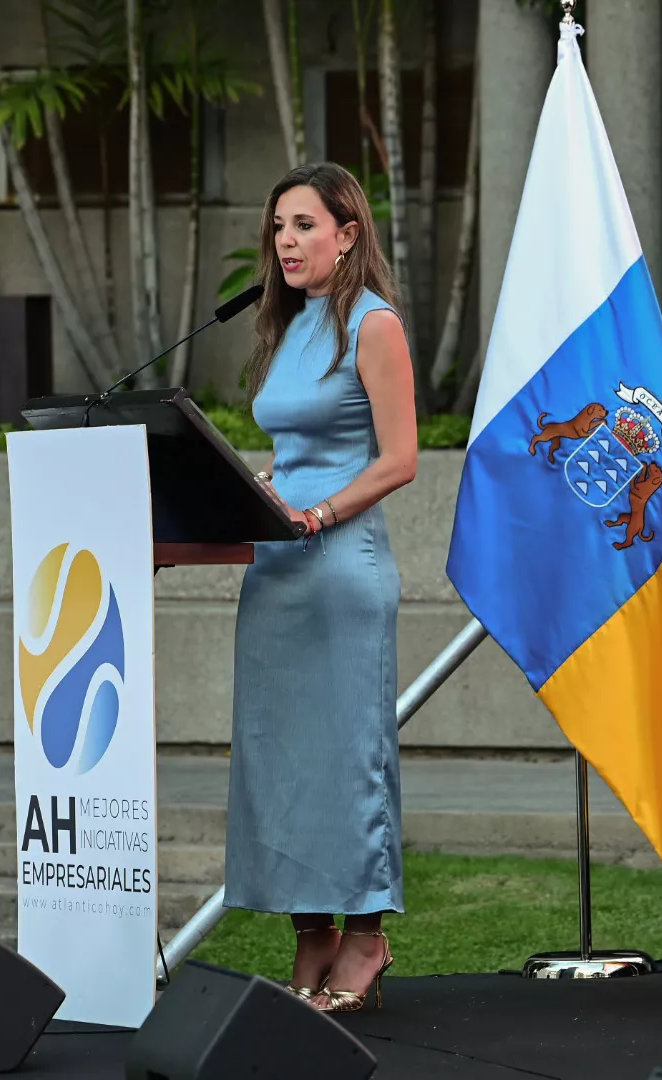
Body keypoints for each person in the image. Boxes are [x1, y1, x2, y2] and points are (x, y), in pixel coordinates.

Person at [227, 162, 418, 1014]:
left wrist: (316, 514)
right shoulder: (290, 323)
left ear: (348, 234)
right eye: (278, 228)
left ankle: (367, 933)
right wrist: (265, 486)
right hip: (276, 576)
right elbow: (304, 450)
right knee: (282, 761)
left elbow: (398, 460)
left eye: (304, 225)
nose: (287, 242)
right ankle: (312, 932)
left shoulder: (374, 325)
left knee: (345, 762)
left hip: (340, 572)